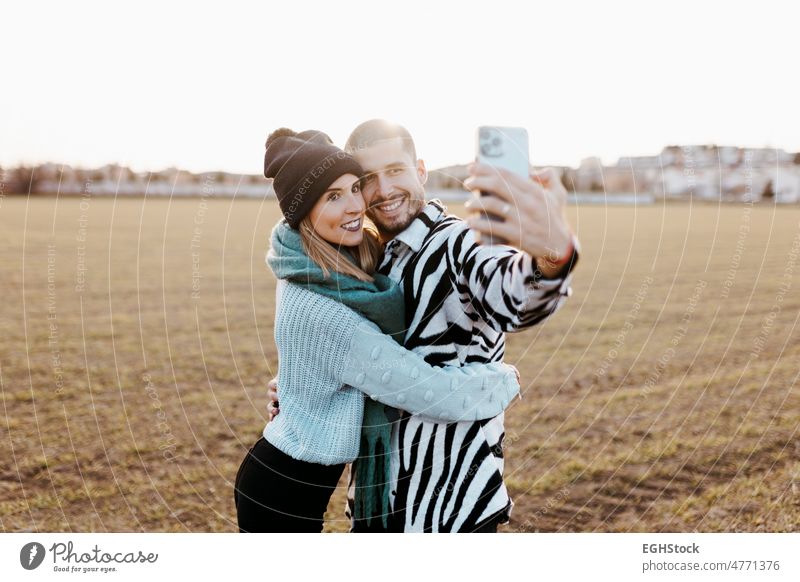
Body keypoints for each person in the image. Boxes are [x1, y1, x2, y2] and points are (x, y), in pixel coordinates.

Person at [266, 120, 579, 533]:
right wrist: (303, 381)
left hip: (448, 503)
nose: (383, 190)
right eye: (366, 179)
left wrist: (550, 259)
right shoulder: (371, 257)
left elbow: (510, 295)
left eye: (396, 170)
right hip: (377, 496)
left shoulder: (457, 244)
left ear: (422, 171)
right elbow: (358, 353)